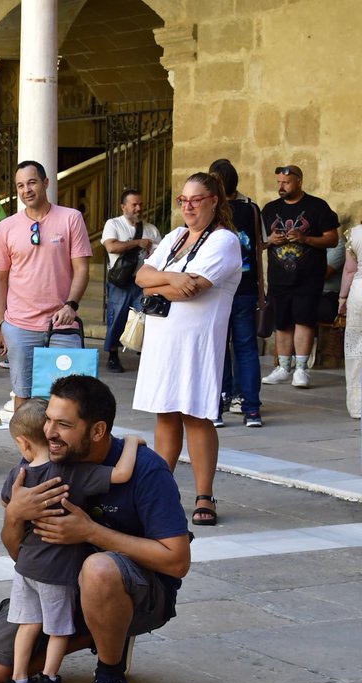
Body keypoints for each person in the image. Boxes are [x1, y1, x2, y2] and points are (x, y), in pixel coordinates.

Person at [0, 376, 192, 683]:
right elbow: (19, 556)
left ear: (98, 430)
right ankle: (101, 631)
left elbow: (176, 561)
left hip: (136, 590)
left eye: (64, 425)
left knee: (99, 569)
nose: (50, 432)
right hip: (55, 585)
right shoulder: (41, 470)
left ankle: (110, 670)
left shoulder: (145, 470)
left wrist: (91, 532)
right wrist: (15, 516)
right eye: (49, 420)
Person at [0, 399, 142, 683]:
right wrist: (131, 442)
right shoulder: (72, 472)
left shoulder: (18, 475)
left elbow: (8, 507)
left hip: (25, 568)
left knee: (28, 624)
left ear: (23, 443)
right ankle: (49, 678)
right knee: (59, 628)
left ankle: (19, 679)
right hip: (57, 571)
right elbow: (121, 474)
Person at [134, 172, 242, 526]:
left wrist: (162, 283)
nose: (189, 206)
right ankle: (161, 496)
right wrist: (174, 279)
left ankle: (204, 495)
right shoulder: (176, 236)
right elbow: (140, 278)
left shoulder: (224, 240)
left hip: (197, 340)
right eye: (183, 200)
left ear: (214, 201)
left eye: (196, 200)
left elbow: (192, 289)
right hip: (163, 338)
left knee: (196, 414)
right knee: (165, 412)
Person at [0, 160, 92, 409]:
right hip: (19, 325)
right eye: (20, 185)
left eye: (32, 182)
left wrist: (71, 305)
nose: (26, 190)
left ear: (46, 183)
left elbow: (82, 269)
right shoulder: (6, 227)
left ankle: (61, 448)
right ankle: (27, 449)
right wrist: (1, 323)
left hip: (61, 323)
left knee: (68, 398)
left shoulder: (71, 218)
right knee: (23, 395)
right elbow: (0, 279)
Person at [261, 165, 340, 389]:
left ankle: (301, 370)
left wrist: (305, 239)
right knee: (282, 322)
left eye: (286, 182)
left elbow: (332, 239)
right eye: (278, 182)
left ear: (299, 182)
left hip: (309, 278)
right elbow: (260, 242)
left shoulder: (317, 206)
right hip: (278, 278)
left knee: (304, 320)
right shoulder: (269, 209)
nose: (281, 186)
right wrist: (270, 242)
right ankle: (284, 368)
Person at [209, 159, 265, 428]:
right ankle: (251, 410)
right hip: (246, 288)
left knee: (219, 348)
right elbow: (259, 246)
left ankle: (217, 407)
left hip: (218, 289)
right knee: (246, 348)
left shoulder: (211, 211)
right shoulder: (251, 209)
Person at [101, 189, 161, 373]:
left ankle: (144, 353)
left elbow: (161, 254)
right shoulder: (114, 224)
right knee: (116, 318)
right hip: (120, 282)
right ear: (123, 206)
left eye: (140, 204)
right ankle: (113, 356)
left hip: (143, 281)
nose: (138, 208)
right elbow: (111, 246)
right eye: (134, 204)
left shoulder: (151, 229)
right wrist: (138, 243)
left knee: (145, 318)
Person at [341, 224, 361, 419]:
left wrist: (342, 298)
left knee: (355, 347)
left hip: (359, 291)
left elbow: (349, 271)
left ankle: (356, 405)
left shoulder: (354, 233)